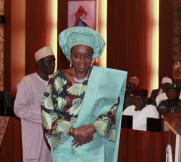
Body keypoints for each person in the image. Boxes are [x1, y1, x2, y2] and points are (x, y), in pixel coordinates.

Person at [41, 27, 127, 162]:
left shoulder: (102, 79)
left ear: (93, 56)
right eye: (77, 56)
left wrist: (91, 129)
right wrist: (74, 132)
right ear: (69, 55)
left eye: (87, 56)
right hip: (65, 147)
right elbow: (48, 111)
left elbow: (113, 108)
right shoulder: (57, 79)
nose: (82, 61)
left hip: (94, 146)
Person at [14, 46, 55, 162]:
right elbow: (18, 108)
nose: (53, 64)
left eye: (54, 60)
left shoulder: (54, 82)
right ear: (39, 63)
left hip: (51, 138)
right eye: (49, 61)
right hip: (34, 137)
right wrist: (43, 116)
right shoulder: (28, 81)